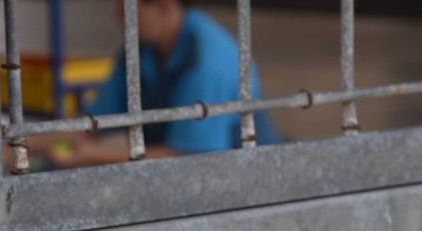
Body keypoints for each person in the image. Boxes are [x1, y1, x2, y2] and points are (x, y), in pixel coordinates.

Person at [27, 0, 280, 169]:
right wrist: (22, 145)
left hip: (239, 180)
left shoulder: (208, 61)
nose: (116, 16)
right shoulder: (139, 51)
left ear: (163, 7)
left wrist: (90, 156)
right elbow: (91, 123)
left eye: (127, 9)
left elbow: (191, 158)